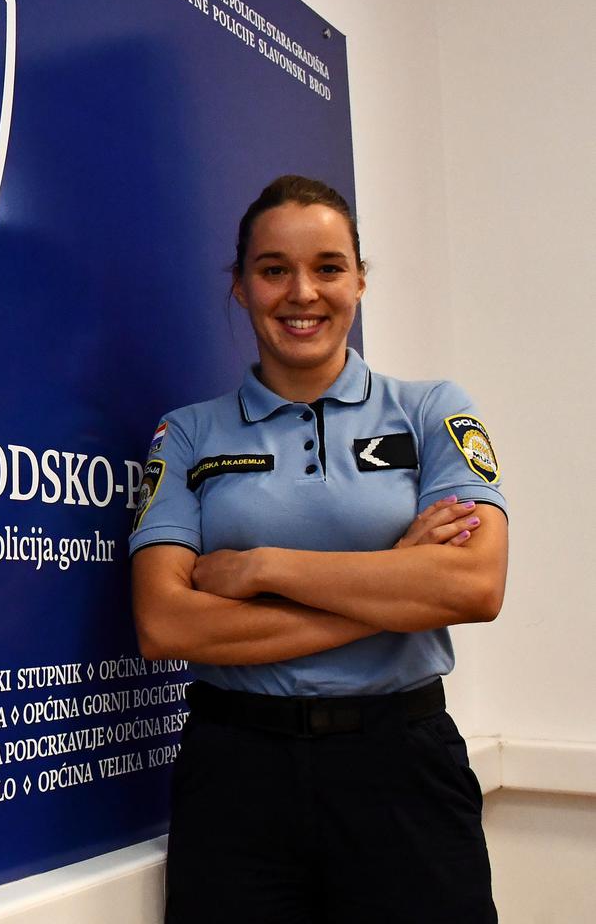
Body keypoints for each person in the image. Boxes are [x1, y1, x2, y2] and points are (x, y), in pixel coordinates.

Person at [129, 174, 507, 923]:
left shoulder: (433, 411)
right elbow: (167, 626)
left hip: (404, 767)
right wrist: (398, 583)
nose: (302, 292)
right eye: (274, 270)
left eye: (328, 267)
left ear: (360, 279)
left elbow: (474, 587)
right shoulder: (188, 434)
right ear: (240, 286)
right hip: (237, 776)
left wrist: (265, 568)